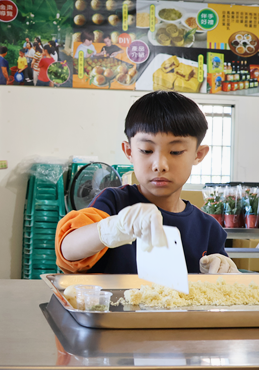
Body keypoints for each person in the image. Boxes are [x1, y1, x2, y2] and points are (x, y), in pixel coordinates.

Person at [56, 91, 237, 275]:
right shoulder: (113, 203)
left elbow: (222, 288)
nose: (160, 165)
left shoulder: (208, 229)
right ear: (129, 152)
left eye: (175, 152)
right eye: (146, 150)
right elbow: (67, 250)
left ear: (198, 155)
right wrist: (112, 228)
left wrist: (223, 270)